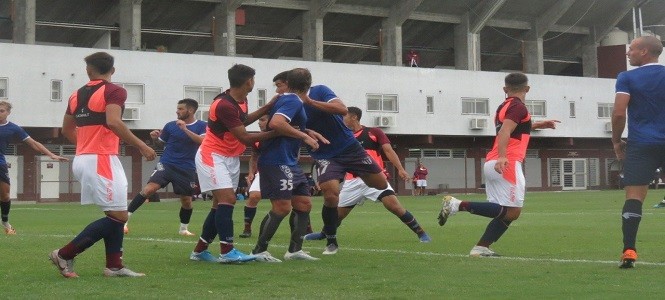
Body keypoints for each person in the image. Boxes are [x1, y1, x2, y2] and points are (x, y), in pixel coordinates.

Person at [50, 52, 157, 278]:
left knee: (117, 214)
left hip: (86, 158)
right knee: (119, 216)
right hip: (101, 160)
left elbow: (67, 130)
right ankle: (64, 254)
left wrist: (86, 147)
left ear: (88, 71)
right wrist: (142, 146)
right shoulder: (114, 90)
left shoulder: (75, 95)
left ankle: (114, 266)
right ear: (113, 70)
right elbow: (114, 122)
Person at [437, 72, 559, 257]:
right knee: (513, 211)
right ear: (527, 89)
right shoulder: (519, 107)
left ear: (505, 89)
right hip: (506, 162)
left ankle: (481, 247)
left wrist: (539, 125)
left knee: (507, 212)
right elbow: (505, 131)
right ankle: (457, 205)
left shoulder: (505, 106)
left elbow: (513, 127)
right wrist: (503, 157)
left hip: (495, 161)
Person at [188, 64, 276, 264]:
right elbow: (244, 137)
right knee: (228, 199)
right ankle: (227, 251)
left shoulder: (241, 100)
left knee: (220, 204)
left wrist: (269, 105)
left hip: (230, 157)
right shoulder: (224, 104)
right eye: (253, 79)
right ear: (249, 81)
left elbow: (242, 121)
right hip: (212, 155)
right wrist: (278, 132)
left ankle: (200, 251)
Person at [304, 106, 430, 243]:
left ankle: (421, 233)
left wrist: (400, 168)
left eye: (344, 116)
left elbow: (388, 150)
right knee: (337, 215)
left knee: (394, 206)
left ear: (354, 117)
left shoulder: (373, 132)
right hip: (352, 181)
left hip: (373, 178)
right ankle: (324, 234)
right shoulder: (343, 136)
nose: (341, 120)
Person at [300, 69, 388, 255]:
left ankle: (360, 178)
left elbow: (341, 109)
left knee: (380, 184)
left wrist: (311, 102)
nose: (278, 90)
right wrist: (306, 133)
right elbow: (285, 126)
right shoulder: (289, 104)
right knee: (331, 194)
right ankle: (331, 240)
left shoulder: (320, 91)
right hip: (325, 154)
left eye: (280, 86)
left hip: (349, 148)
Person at [250, 68, 326, 262]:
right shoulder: (291, 99)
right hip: (276, 161)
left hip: (289, 161)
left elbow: (287, 124)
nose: (277, 91)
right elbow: (276, 123)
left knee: (304, 203)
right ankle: (258, 251)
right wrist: (304, 137)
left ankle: (294, 251)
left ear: (289, 83)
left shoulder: (292, 101)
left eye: (278, 86)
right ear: (308, 85)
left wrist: (307, 131)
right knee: (282, 207)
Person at [611, 36, 665, 268]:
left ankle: (629, 251)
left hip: (641, 144)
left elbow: (619, 113)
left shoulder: (627, 78)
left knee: (634, 197)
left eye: (631, 49)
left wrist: (615, 141)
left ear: (644, 52)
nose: (627, 53)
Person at [124, 99, 207, 236]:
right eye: (177, 108)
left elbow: (202, 141)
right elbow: (160, 145)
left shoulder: (202, 125)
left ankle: (183, 229)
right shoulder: (170, 126)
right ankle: (123, 222)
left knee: (186, 201)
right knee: (149, 189)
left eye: (180, 109)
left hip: (187, 167)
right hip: (167, 164)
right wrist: (155, 139)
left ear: (191, 110)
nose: (177, 111)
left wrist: (185, 129)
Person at [0, 101, 68, 235]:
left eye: (1, 111)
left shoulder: (14, 128)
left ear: (8, 112)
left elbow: (33, 143)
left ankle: (5, 223)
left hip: (0, 163)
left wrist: (51, 154)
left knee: (5, 196)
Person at [239, 114, 269, 238]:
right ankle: (247, 228)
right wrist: (252, 172)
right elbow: (254, 156)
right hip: (263, 172)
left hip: (283, 171)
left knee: (297, 201)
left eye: (262, 120)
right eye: (259, 120)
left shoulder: (283, 135)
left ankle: (307, 228)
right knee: (254, 196)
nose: (259, 123)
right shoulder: (257, 139)